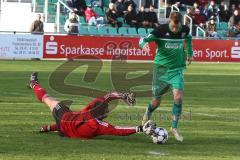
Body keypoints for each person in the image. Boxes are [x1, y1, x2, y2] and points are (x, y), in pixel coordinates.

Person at [27, 72, 155, 139]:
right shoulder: (97, 126)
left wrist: (123, 96)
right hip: (65, 131)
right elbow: (118, 130)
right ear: (103, 114)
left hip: (65, 120)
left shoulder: (89, 111)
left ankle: (34, 84)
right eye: (107, 111)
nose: (108, 112)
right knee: (52, 104)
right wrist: (140, 128)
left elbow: (108, 96)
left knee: (48, 99)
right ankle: (33, 83)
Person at [139, 12, 193, 142]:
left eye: (177, 26)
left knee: (178, 97)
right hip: (161, 70)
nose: (175, 29)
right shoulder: (160, 30)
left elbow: (189, 40)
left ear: (180, 22)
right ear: (170, 21)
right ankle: (148, 112)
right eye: (173, 26)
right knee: (156, 102)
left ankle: (174, 127)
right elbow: (142, 39)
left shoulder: (185, 30)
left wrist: (190, 54)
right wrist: (143, 45)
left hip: (177, 69)